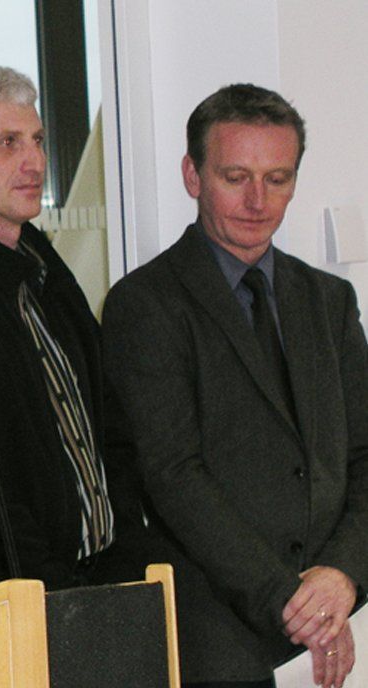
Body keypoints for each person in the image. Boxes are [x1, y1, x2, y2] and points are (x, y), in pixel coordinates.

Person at [102, 83, 367, 688]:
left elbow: (363, 455)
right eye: (235, 177)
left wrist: (342, 575)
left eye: (277, 178)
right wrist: (289, 601)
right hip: (214, 625)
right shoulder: (144, 305)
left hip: (335, 608)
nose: (257, 200)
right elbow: (173, 476)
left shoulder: (329, 301)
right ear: (192, 176)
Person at [0, 64, 129, 602]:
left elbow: (104, 415)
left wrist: (129, 549)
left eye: (36, 140)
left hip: (105, 574)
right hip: (23, 597)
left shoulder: (41, 260)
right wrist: (51, 591)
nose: (35, 161)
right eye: (8, 143)